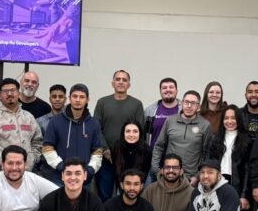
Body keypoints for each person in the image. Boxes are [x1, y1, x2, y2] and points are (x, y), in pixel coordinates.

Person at [94, 70, 145, 201]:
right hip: (107, 157)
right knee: (104, 194)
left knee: (128, 193)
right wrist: (105, 148)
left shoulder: (136, 104)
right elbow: (96, 129)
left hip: (128, 158)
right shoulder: (102, 103)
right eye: (118, 79)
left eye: (124, 80)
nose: (121, 82)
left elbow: (139, 131)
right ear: (112, 83)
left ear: (129, 84)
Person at [0, 78, 43, 178]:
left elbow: (38, 142)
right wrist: (8, 162)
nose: (9, 94)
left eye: (13, 90)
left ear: (19, 93)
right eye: (5, 91)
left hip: (26, 175)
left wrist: (31, 159)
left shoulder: (28, 117)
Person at [40, 84, 103, 186]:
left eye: (82, 97)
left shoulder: (93, 123)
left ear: (87, 100)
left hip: (84, 179)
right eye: (75, 96)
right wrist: (61, 167)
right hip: (59, 177)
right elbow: (47, 148)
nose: (78, 100)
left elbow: (98, 151)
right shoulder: (55, 121)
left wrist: (90, 170)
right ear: (69, 98)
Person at [205, 105, 252, 211]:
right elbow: (208, 165)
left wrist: (244, 195)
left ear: (239, 120)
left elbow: (248, 170)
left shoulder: (246, 140)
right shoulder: (215, 138)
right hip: (217, 182)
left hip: (237, 184)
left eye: (233, 118)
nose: (229, 121)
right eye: (226, 118)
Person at [151, 90, 212, 185]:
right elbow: (159, 146)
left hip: (190, 179)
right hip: (169, 174)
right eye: (186, 102)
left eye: (193, 103)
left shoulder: (205, 125)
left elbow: (206, 154)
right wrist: (156, 170)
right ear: (182, 103)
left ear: (198, 107)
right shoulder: (170, 121)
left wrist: (197, 176)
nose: (189, 106)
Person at [144, 78, 180, 150]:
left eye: (171, 87)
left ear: (177, 91)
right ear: (160, 91)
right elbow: (144, 135)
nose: (168, 90)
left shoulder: (183, 110)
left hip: (177, 155)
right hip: (153, 155)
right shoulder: (149, 111)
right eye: (164, 88)